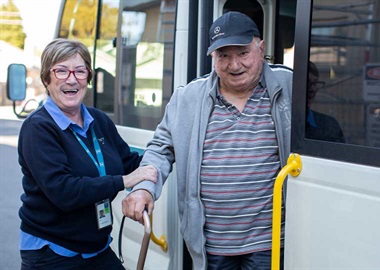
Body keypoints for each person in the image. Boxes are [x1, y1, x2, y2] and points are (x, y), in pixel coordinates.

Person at [122, 11, 292, 270]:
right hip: (210, 245)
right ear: (213, 57)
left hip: (269, 242)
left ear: (261, 48)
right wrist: (144, 188)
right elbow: (160, 150)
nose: (234, 65)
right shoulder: (188, 97)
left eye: (243, 53)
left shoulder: (289, 85)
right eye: (223, 55)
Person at [18, 38, 158, 270]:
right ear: (46, 78)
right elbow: (64, 191)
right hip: (52, 252)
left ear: (88, 78)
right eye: (61, 71)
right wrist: (124, 182)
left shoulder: (98, 120)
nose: (71, 79)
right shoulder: (38, 128)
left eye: (80, 71)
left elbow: (130, 162)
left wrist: (169, 150)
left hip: (97, 248)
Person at [306, 61, 346, 143]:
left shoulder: (329, 125)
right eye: (308, 83)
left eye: (315, 83)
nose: (312, 89)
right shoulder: (284, 123)